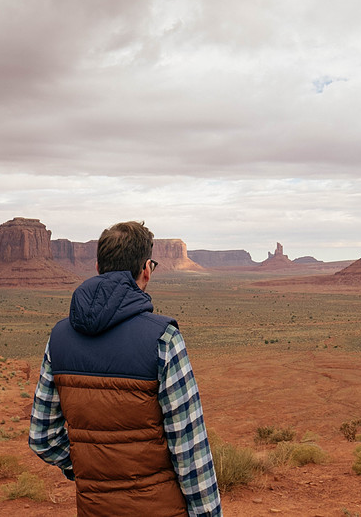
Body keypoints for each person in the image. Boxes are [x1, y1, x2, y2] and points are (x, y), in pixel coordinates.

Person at [29, 221, 222, 516]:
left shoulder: (58, 338)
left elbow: (42, 438)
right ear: (146, 269)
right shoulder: (164, 337)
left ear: (97, 267)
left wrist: (91, 469)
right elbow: (190, 452)